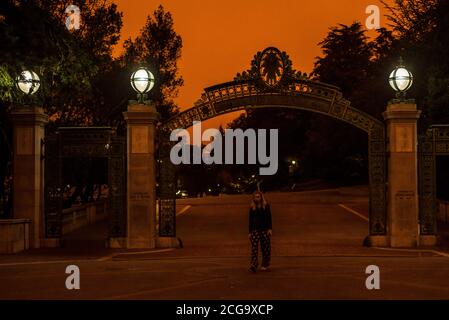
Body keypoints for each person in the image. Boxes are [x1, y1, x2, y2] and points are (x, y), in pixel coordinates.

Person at [248, 191, 272, 273]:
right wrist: (250, 232)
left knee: (265, 248)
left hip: (264, 229)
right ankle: (254, 264)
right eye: (255, 197)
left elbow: (269, 218)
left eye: (258, 196)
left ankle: (265, 263)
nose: (257, 198)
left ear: (261, 197)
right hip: (255, 230)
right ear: (253, 198)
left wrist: (270, 229)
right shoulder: (252, 207)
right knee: (254, 248)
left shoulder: (266, 206)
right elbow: (250, 220)